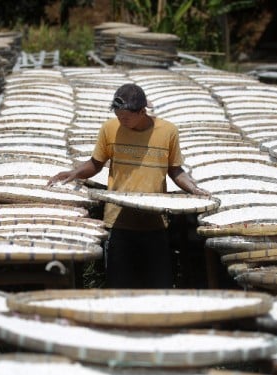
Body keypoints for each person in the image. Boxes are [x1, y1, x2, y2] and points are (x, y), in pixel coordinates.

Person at [48, 83, 209, 289]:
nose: (121, 121)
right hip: (118, 221)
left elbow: (175, 170)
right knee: (119, 286)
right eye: (118, 116)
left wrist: (193, 189)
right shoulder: (110, 129)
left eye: (126, 117)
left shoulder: (168, 132)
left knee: (159, 285)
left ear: (142, 111)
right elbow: (96, 163)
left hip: (155, 223)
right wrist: (74, 173)